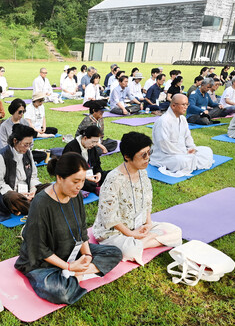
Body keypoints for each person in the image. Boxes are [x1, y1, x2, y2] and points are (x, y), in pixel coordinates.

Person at [15, 153, 122, 305]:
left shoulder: (75, 195)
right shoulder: (41, 203)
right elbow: (39, 249)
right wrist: (70, 266)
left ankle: (74, 274)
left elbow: (82, 229)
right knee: (61, 292)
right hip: (42, 260)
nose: (80, 186)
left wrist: (87, 255)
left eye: (83, 181)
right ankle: (72, 274)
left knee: (115, 252)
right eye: (76, 181)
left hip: (71, 249)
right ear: (60, 178)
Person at [93, 132, 183, 262]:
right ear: (127, 157)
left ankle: (141, 243)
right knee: (129, 250)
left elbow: (147, 201)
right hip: (115, 232)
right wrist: (131, 234)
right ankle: (145, 242)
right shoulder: (113, 179)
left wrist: (148, 223)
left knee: (176, 231)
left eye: (149, 152)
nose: (148, 158)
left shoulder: (143, 173)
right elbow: (109, 217)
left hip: (138, 226)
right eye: (143, 155)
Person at [0, 124, 42, 218]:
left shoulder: (28, 153)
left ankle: (24, 206)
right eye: (25, 144)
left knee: (48, 188)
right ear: (15, 141)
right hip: (9, 192)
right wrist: (17, 194)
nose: (28, 147)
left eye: (30, 144)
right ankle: (38, 209)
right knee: (13, 198)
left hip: (26, 189)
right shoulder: (2, 157)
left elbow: (33, 175)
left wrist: (33, 189)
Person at [149, 94, 215, 176]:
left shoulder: (183, 119)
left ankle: (191, 161)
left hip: (184, 152)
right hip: (166, 155)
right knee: (181, 161)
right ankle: (190, 162)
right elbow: (163, 144)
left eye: (187, 104)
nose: (186, 107)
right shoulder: (163, 121)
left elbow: (188, 137)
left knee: (207, 151)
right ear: (173, 105)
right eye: (183, 104)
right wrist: (183, 153)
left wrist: (192, 148)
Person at [61, 125, 104, 192]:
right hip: (77, 176)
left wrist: (98, 173)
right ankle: (96, 188)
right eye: (93, 142)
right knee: (78, 181)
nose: (94, 144)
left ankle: (97, 185)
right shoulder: (71, 147)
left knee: (110, 174)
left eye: (96, 142)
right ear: (85, 138)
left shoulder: (92, 148)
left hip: (91, 174)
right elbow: (67, 170)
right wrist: (84, 177)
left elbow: (97, 163)